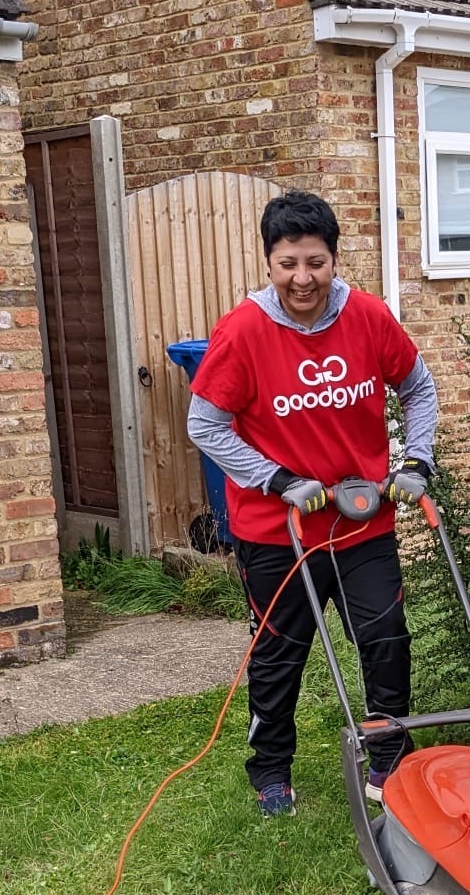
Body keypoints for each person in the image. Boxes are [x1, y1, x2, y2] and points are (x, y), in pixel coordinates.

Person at [187, 191, 439, 818]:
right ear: (269, 263)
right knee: (279, 654)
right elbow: (205, 424)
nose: (303, 278)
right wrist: (276, 479)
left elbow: (417, 388)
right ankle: (271, 771)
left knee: (385, 639)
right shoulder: (243, 331)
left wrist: (416, 460)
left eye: (316, 263)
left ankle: (388, 761)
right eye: (288, 264)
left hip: (362, 522)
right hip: (279, 530)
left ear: (334, 259)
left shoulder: (369, 317)